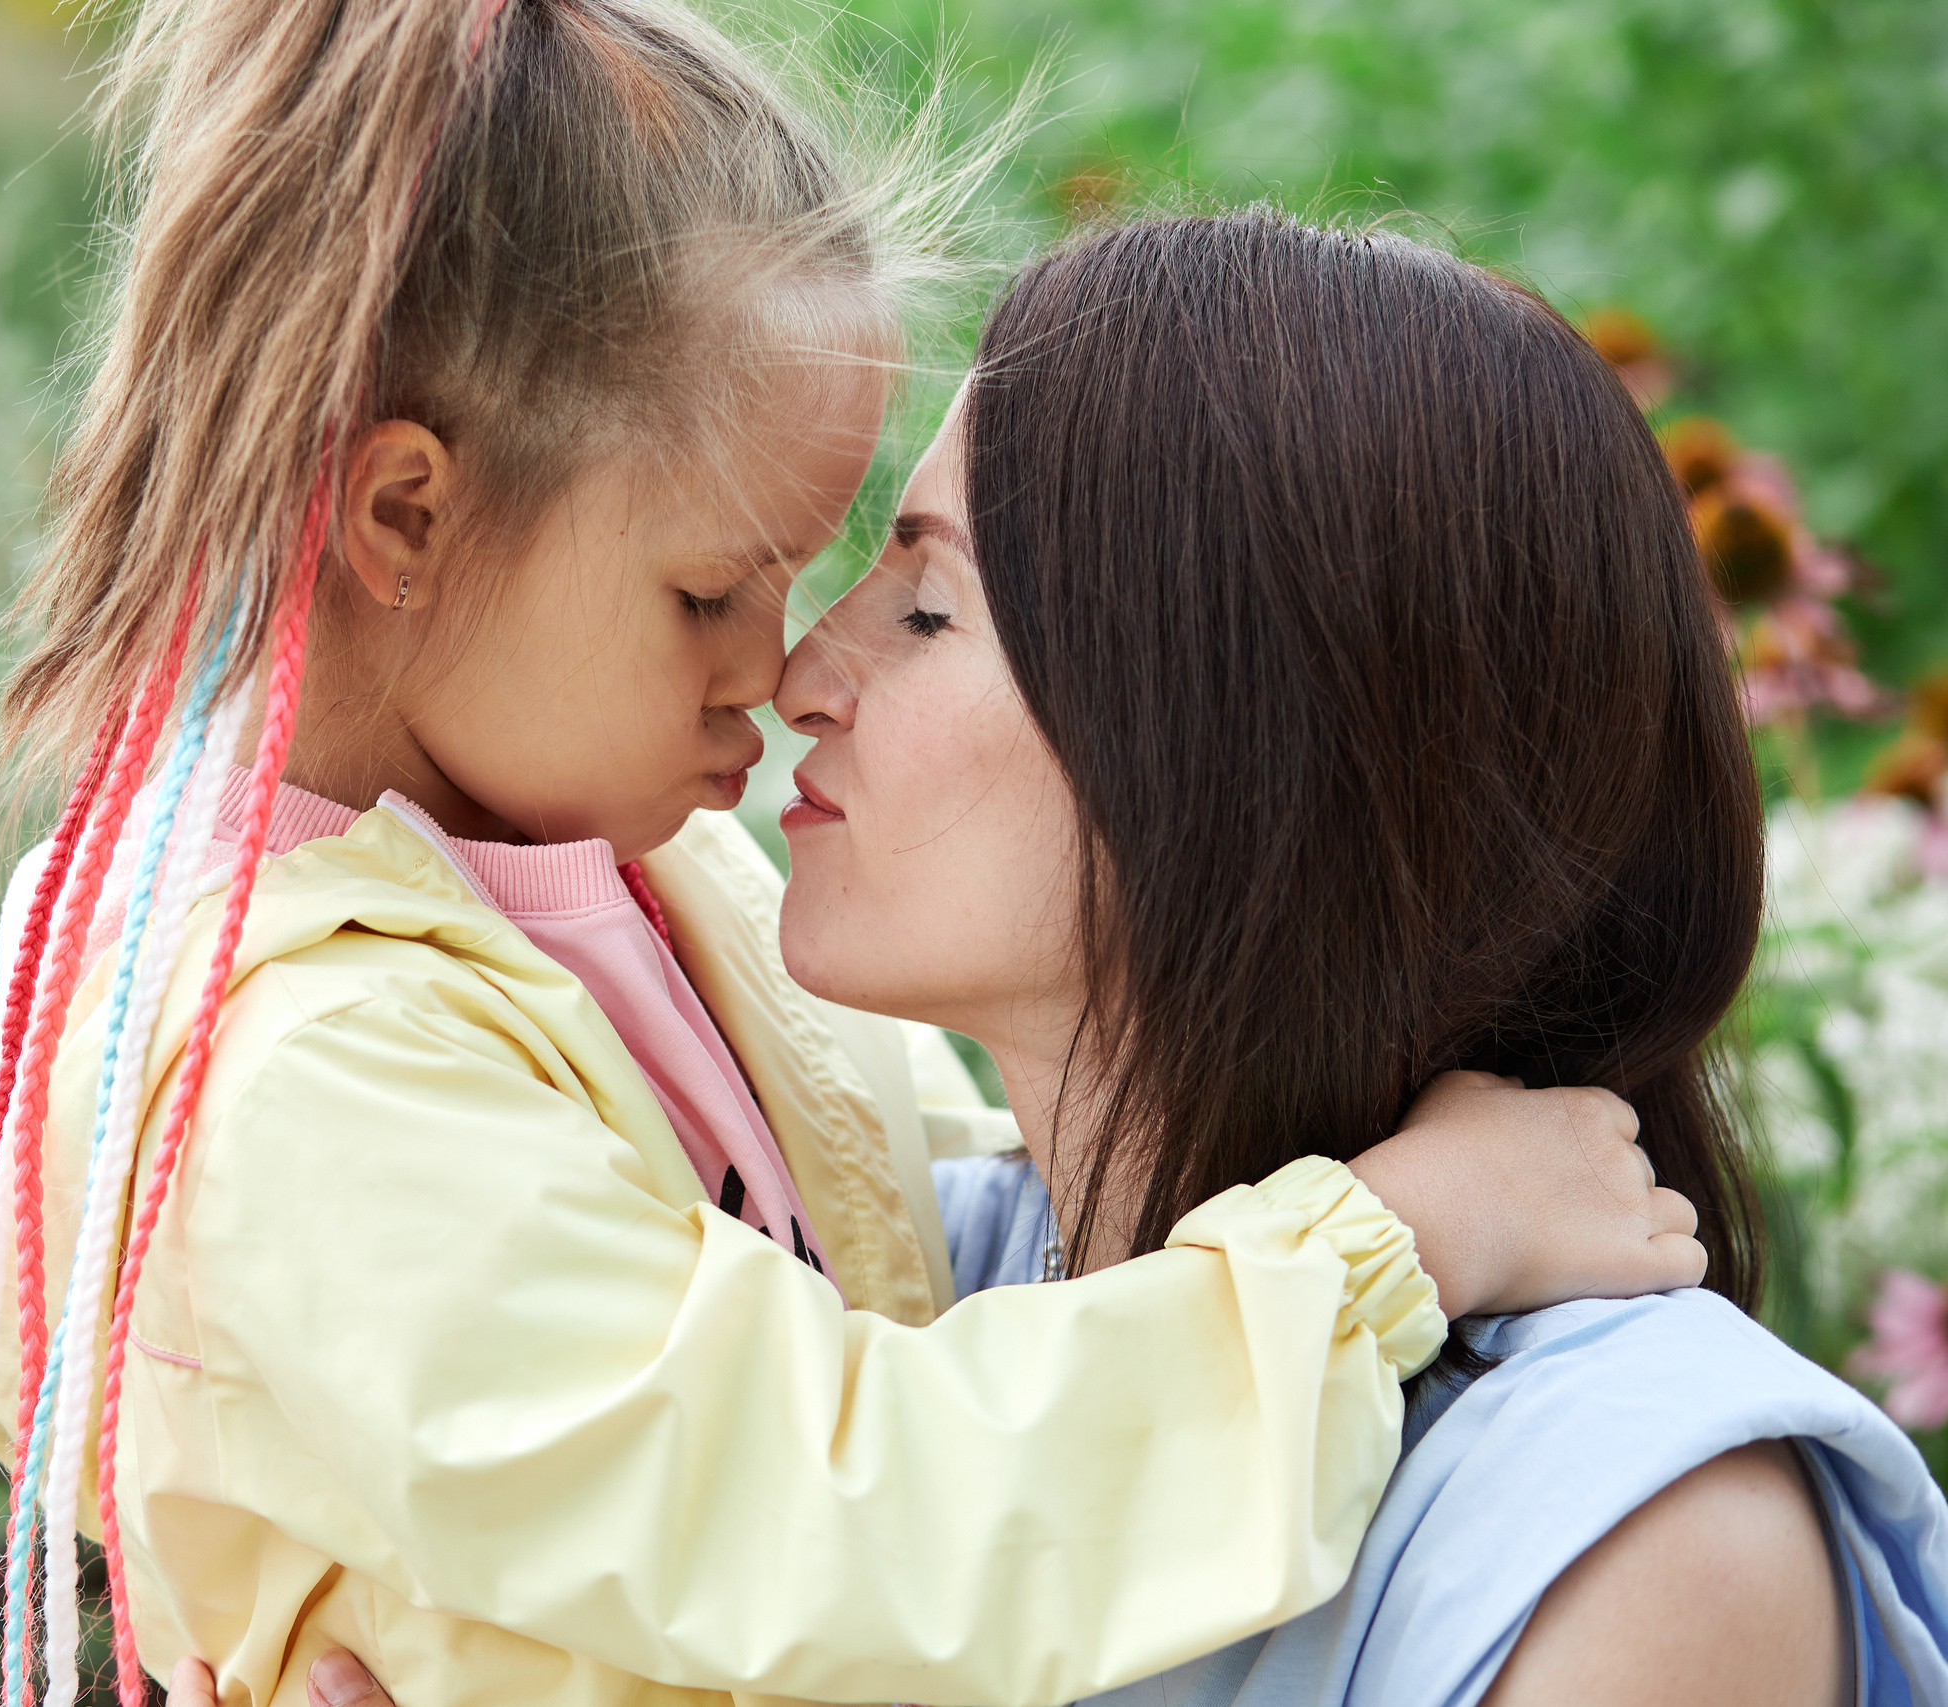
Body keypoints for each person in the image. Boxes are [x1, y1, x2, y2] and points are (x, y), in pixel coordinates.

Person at [0, 8, 1702, 1707]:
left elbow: (903, 1206)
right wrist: (1401, 1237)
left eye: (884, 590)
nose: (782, 670)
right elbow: (853, 1507)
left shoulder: (614, 889)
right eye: (710, 592)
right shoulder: (297, 1073)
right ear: (402, 518)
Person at [200, 209, 1948, 1707]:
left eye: (932, 605)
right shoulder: (885, 1279)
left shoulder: (1638, 1538)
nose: (800, 671)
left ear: (1241, 745)